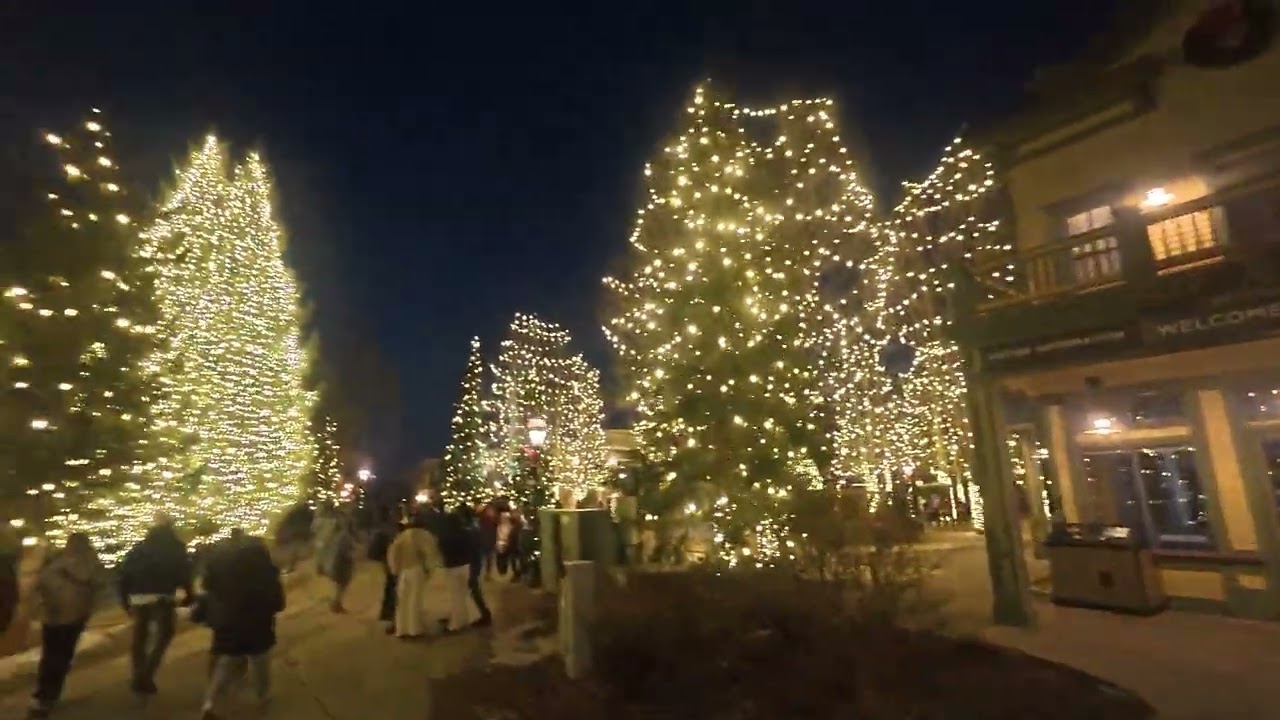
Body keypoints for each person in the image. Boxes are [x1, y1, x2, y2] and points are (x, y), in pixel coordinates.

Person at [199, 537, 284, 720]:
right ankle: (262, 697)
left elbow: (210, 591)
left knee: (225, 665)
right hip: (258, 627)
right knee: (260, 664)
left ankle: (210, 703)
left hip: (230, 626)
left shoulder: (226, 574)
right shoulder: (267, 573)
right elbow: (278, 603)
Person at [27, 533, 103, 719]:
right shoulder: (92, 565)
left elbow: (39, 585)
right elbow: (99, 587)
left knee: (49, 655)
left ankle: (43, 696)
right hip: (76, 617)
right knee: (64, 654)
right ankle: (52, 692)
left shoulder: (56, 564)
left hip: (52, 617)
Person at [118, 515, 193, 695]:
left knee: (140, 637)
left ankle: (139, 674)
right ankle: (145, 674)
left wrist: (124, 600)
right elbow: (183, 572)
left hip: (137, 597)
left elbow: (124, 575)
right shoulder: (176, 548)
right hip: (162, 596)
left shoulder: (138, 549)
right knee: (165, 634)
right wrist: (189, 594)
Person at [386, 521, 442, 638]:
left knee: (402, 601)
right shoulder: (420, 536)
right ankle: (414, 629)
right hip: (416, 569)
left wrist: (395, 570)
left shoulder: (400, 538)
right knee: (415, 600)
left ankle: (401, 629)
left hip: (403, 571)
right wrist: (429, 569)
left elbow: (392, 554)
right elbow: (430, 552)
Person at [323, 516, 355, 613]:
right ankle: (336, 605)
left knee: (339, 587)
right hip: (341, 565)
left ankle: (336, 604)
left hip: (337, 564)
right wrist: (354, 556)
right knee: (341, 587)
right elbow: (346, 552)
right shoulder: (345, 537)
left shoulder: (339, 535)